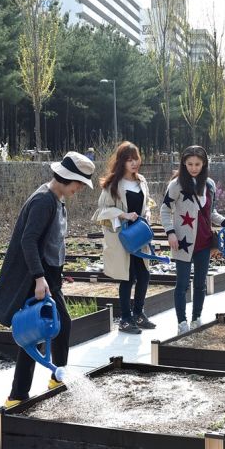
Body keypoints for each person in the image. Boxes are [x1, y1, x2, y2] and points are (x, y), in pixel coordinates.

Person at [0, 151, 95, 407]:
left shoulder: (56, 199)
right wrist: (39, 278)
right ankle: (17, 395)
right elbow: (28, 240)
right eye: (79, 183)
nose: (79, 188)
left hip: (49, 275)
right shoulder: (43, 201)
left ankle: (57, 377)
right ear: (67, 178)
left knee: (60, 325)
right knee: (32, 334)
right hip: (36, 276)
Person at [160, 145, 225, 335]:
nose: (193, 168)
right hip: (183, 242)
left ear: (204, 164)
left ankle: (196, 317)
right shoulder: (176, 185)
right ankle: (181, 321)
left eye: (197, 164)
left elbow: (210, 213)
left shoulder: (210, 185)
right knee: (182, 284)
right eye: (189, 164)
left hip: (204, 242)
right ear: (184, 164)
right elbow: (164, 210)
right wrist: (170, 232)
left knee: (201, 283)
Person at [92, 141, 156, 334]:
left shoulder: (141, 181)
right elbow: (102, 211)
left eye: (135, 158)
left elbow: (147, 205)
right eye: (129, 160)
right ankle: (125, 319)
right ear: (122, 162)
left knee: (144, 275)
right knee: (127, 278)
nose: (134, 163)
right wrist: (124, 215)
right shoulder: (113, 184)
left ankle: (139, 313)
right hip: (122, 238)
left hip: (140, 235)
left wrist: (146, 216)